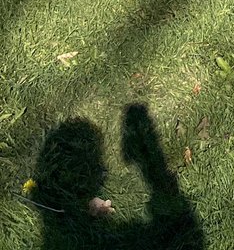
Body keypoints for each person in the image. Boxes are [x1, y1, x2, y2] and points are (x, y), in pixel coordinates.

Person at [34, 104, 204, 249]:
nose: (102, 169)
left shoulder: (55, 226)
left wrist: (83, 209)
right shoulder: (83, 240)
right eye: (96, 163)